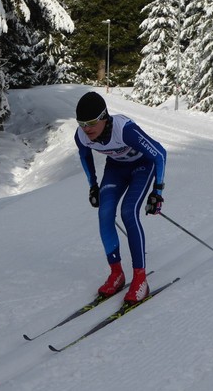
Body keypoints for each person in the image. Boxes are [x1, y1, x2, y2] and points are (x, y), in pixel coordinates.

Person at [74, 91, 166, 304]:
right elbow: (84, 157)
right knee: (105, 214)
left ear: (104, 117)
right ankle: (117, 273)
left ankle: (140, 278)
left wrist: (157, 191)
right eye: (81, 123)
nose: (86, 129)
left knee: (128, 213)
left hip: (142, 167)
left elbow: (160, 154)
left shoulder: (124, 130)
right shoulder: (81, 136)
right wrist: (93, 187)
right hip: (116, 169)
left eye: (90, 123)